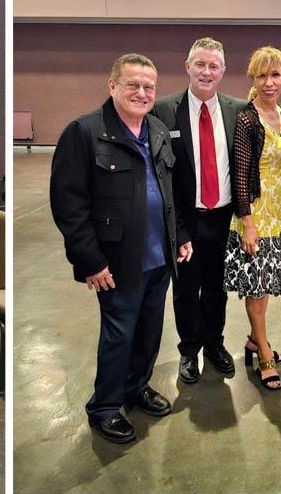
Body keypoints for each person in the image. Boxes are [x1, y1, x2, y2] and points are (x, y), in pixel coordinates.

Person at [50, 54, 190, 444]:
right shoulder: (84, 132)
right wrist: (91, 260)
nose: (141, 93)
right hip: (116, 262)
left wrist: (180, 236)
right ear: (112, 86)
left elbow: (170, 193)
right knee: (118, 335)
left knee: (148, 332)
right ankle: (106, 407)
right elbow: (68, 205)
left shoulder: (158, 130)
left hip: (160, 258)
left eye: (149, 87)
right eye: (133, 85)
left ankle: (137, 387)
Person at [150, 38, 248, 383]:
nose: (207, 72)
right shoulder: (162, 110)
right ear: (187, 67)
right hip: (184, 219)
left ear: (223, 70)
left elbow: (245, 166)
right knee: (187, 289)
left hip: (224, 217)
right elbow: (160, 174)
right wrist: (178, 228)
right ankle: (189, 350)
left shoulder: (238, 109)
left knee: (217, 287)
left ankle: (214, 344)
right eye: (200, 64)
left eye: (214, 66)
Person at [224, 46, 281, 390]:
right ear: (252, 78)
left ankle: (255, 338)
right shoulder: (247, 119)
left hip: (280, 213)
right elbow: (240, 174)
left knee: (267, 284)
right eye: (262, 75)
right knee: (258, 287)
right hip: (256, 214)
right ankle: (264, 352)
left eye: (275, 75)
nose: (269, 82)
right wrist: (247, 223)